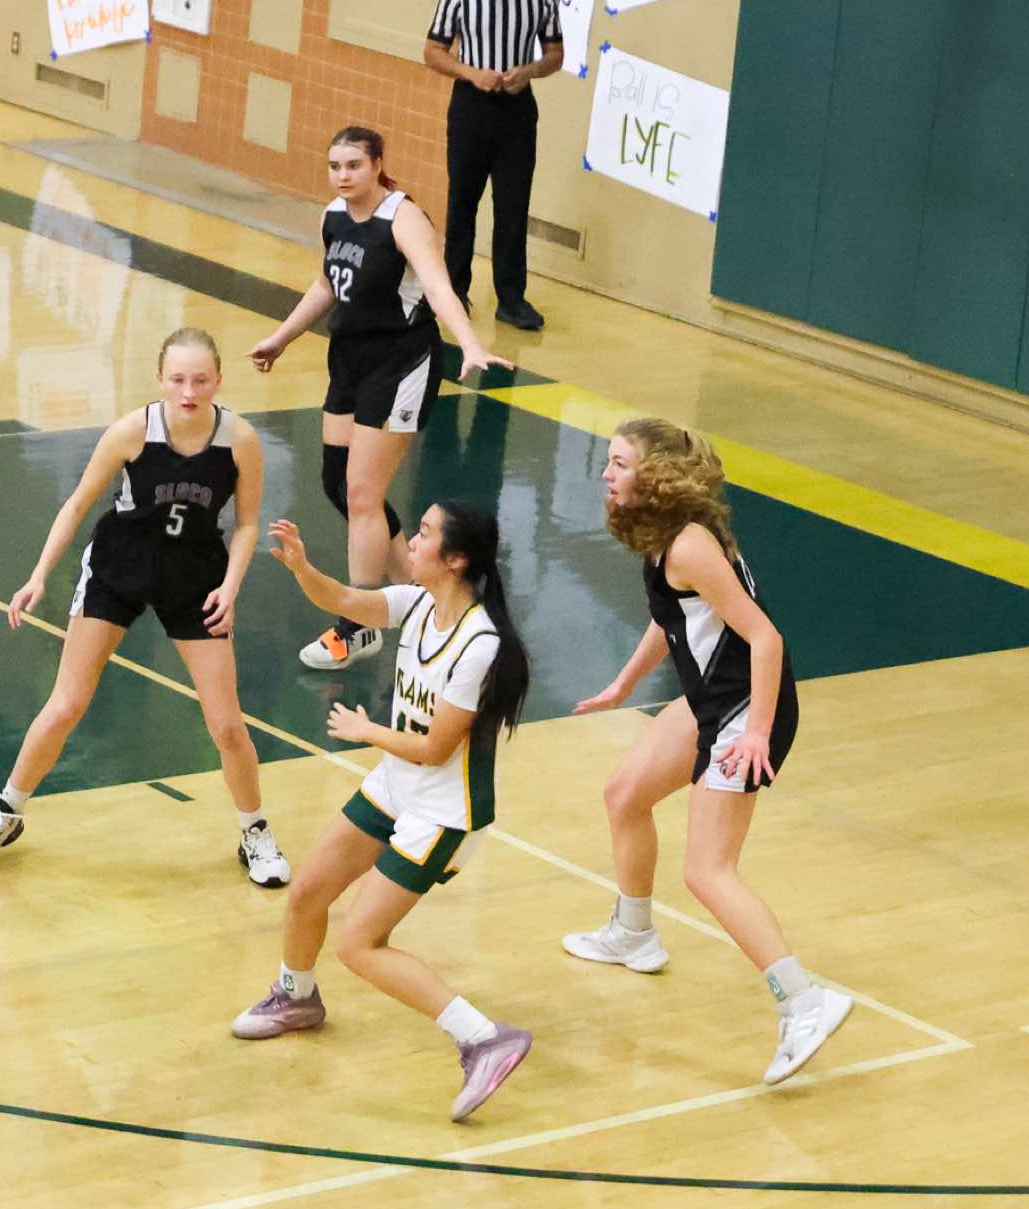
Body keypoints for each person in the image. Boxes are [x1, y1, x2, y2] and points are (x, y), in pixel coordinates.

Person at [562, 416, 850, 1085]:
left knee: (708, 872)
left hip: (744, 710)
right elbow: (673, 617)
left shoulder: (689, 546)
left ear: (656, 474)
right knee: (625, 793)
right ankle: (634, 932)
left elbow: (766, 638)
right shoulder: (665, 534)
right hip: (710, 703)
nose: (606, 472)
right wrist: (623, 684)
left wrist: (755, 732)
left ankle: (805, 1003)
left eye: (620, 462)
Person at [0, 328, 291, 889]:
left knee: (227, 725)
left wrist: (231, 586)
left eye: (200, 380)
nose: (188, 391)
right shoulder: (132, 432)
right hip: (119, 568)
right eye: (177, 379)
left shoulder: (240, 440)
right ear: (160, 379)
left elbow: (249, 523)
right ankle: (4, 813)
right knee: (66, 704)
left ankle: (254, 831)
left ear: (218, 381)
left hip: (196, 578)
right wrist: (38, 575)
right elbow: (76, 504)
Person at [231, 503, 533, 1122]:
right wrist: (302, 569)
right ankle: (297, 997)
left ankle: (484, 1038)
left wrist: (366, 730)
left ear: (456, 560)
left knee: (360, 943)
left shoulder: (480, 645)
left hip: (443, 813)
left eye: (424, 534)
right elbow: (346, 599)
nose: (411, 542)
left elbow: (434, 749)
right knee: (307, 892)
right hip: (397, 786)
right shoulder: (418, 604)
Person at [248, 126, 511, 672]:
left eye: (353, 165)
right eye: (335, 166)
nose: (343, 175)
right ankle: (417, 594)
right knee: (336, 482)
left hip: (400, 362)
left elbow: (438, 287)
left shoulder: (403, 218)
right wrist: (282, 337)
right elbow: (327, 284)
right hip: (350, 359)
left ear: (377, 165)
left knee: (363, 494)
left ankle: (360, 622)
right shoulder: (334, 217)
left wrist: (469, 344)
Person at [423, 0, 564, 333]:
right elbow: (432, 51)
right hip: (471, 107)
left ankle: (511, 299)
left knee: (513, 206)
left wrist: (530, 71)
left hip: (517, 111)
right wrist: (470, 73)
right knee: (462, 203)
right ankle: (454, 291)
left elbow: (555, 53)